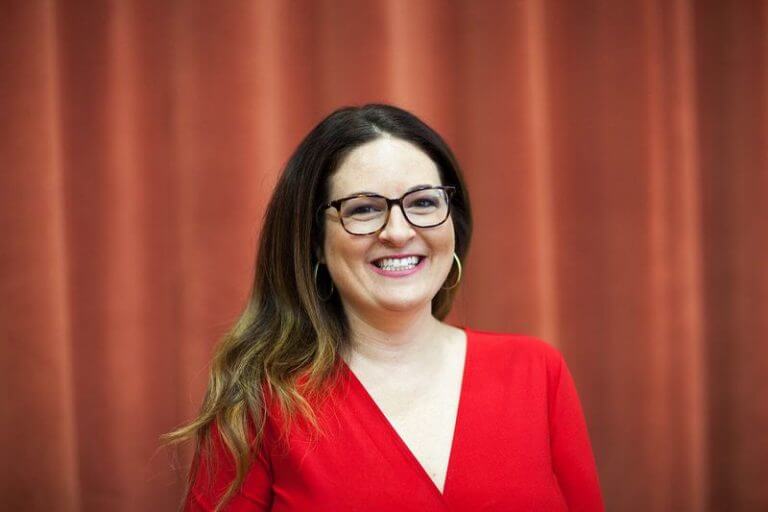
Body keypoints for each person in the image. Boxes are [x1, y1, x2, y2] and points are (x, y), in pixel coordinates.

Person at [163, 104, 604, 511]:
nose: (398, 232)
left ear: (453, 222)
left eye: (423, 202)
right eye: (364, 209)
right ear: (315, 242)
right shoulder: (262, 401)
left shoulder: (537, 372)